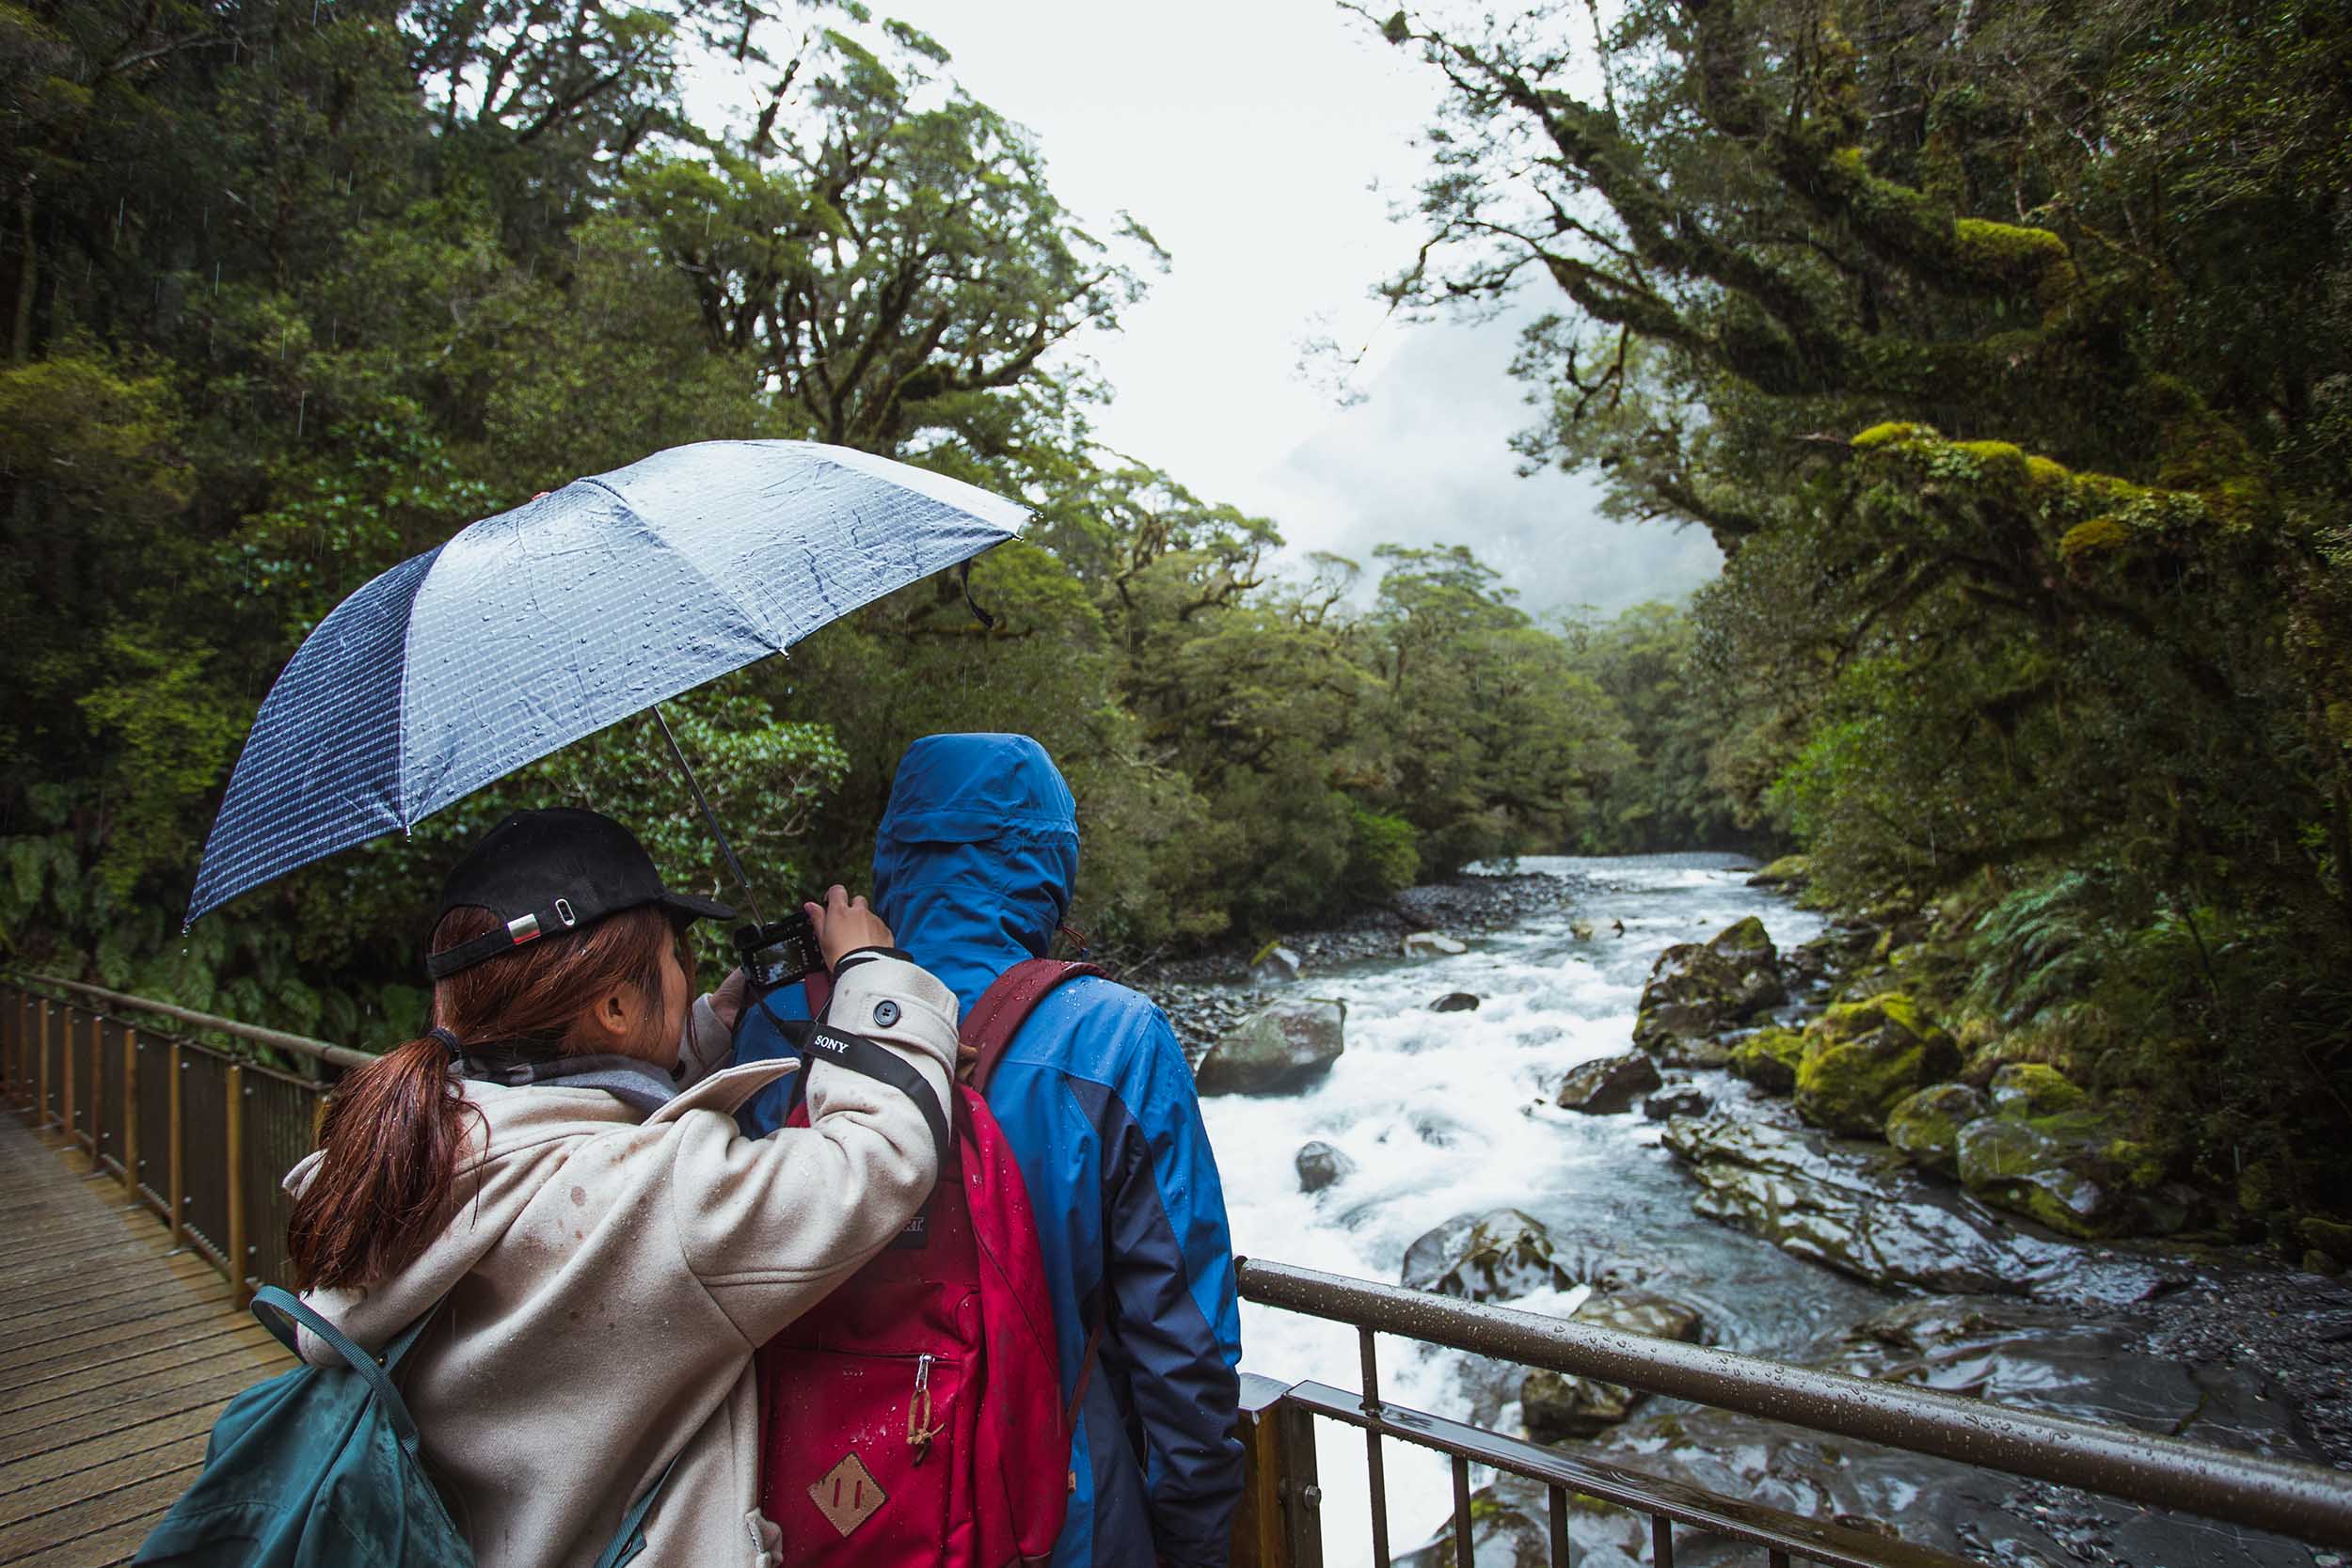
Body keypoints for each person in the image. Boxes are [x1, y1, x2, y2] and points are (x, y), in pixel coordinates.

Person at [281, 807, 960, 1568]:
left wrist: (709, 1018)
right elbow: (883, 1157)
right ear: (613, 1009)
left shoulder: (406, 1153)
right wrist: (874, 977)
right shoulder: (659, 1199)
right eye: (678, 960)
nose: (689, 974)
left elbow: (581, 1100)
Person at [739, 735, 1245, 1568]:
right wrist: (1192, 1545)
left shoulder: (782, 1023)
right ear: (1052, 859)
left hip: (823, 1510)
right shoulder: (1113, 1037)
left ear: (893, 852)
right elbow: (1186, 1350)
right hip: (1061, 1522)